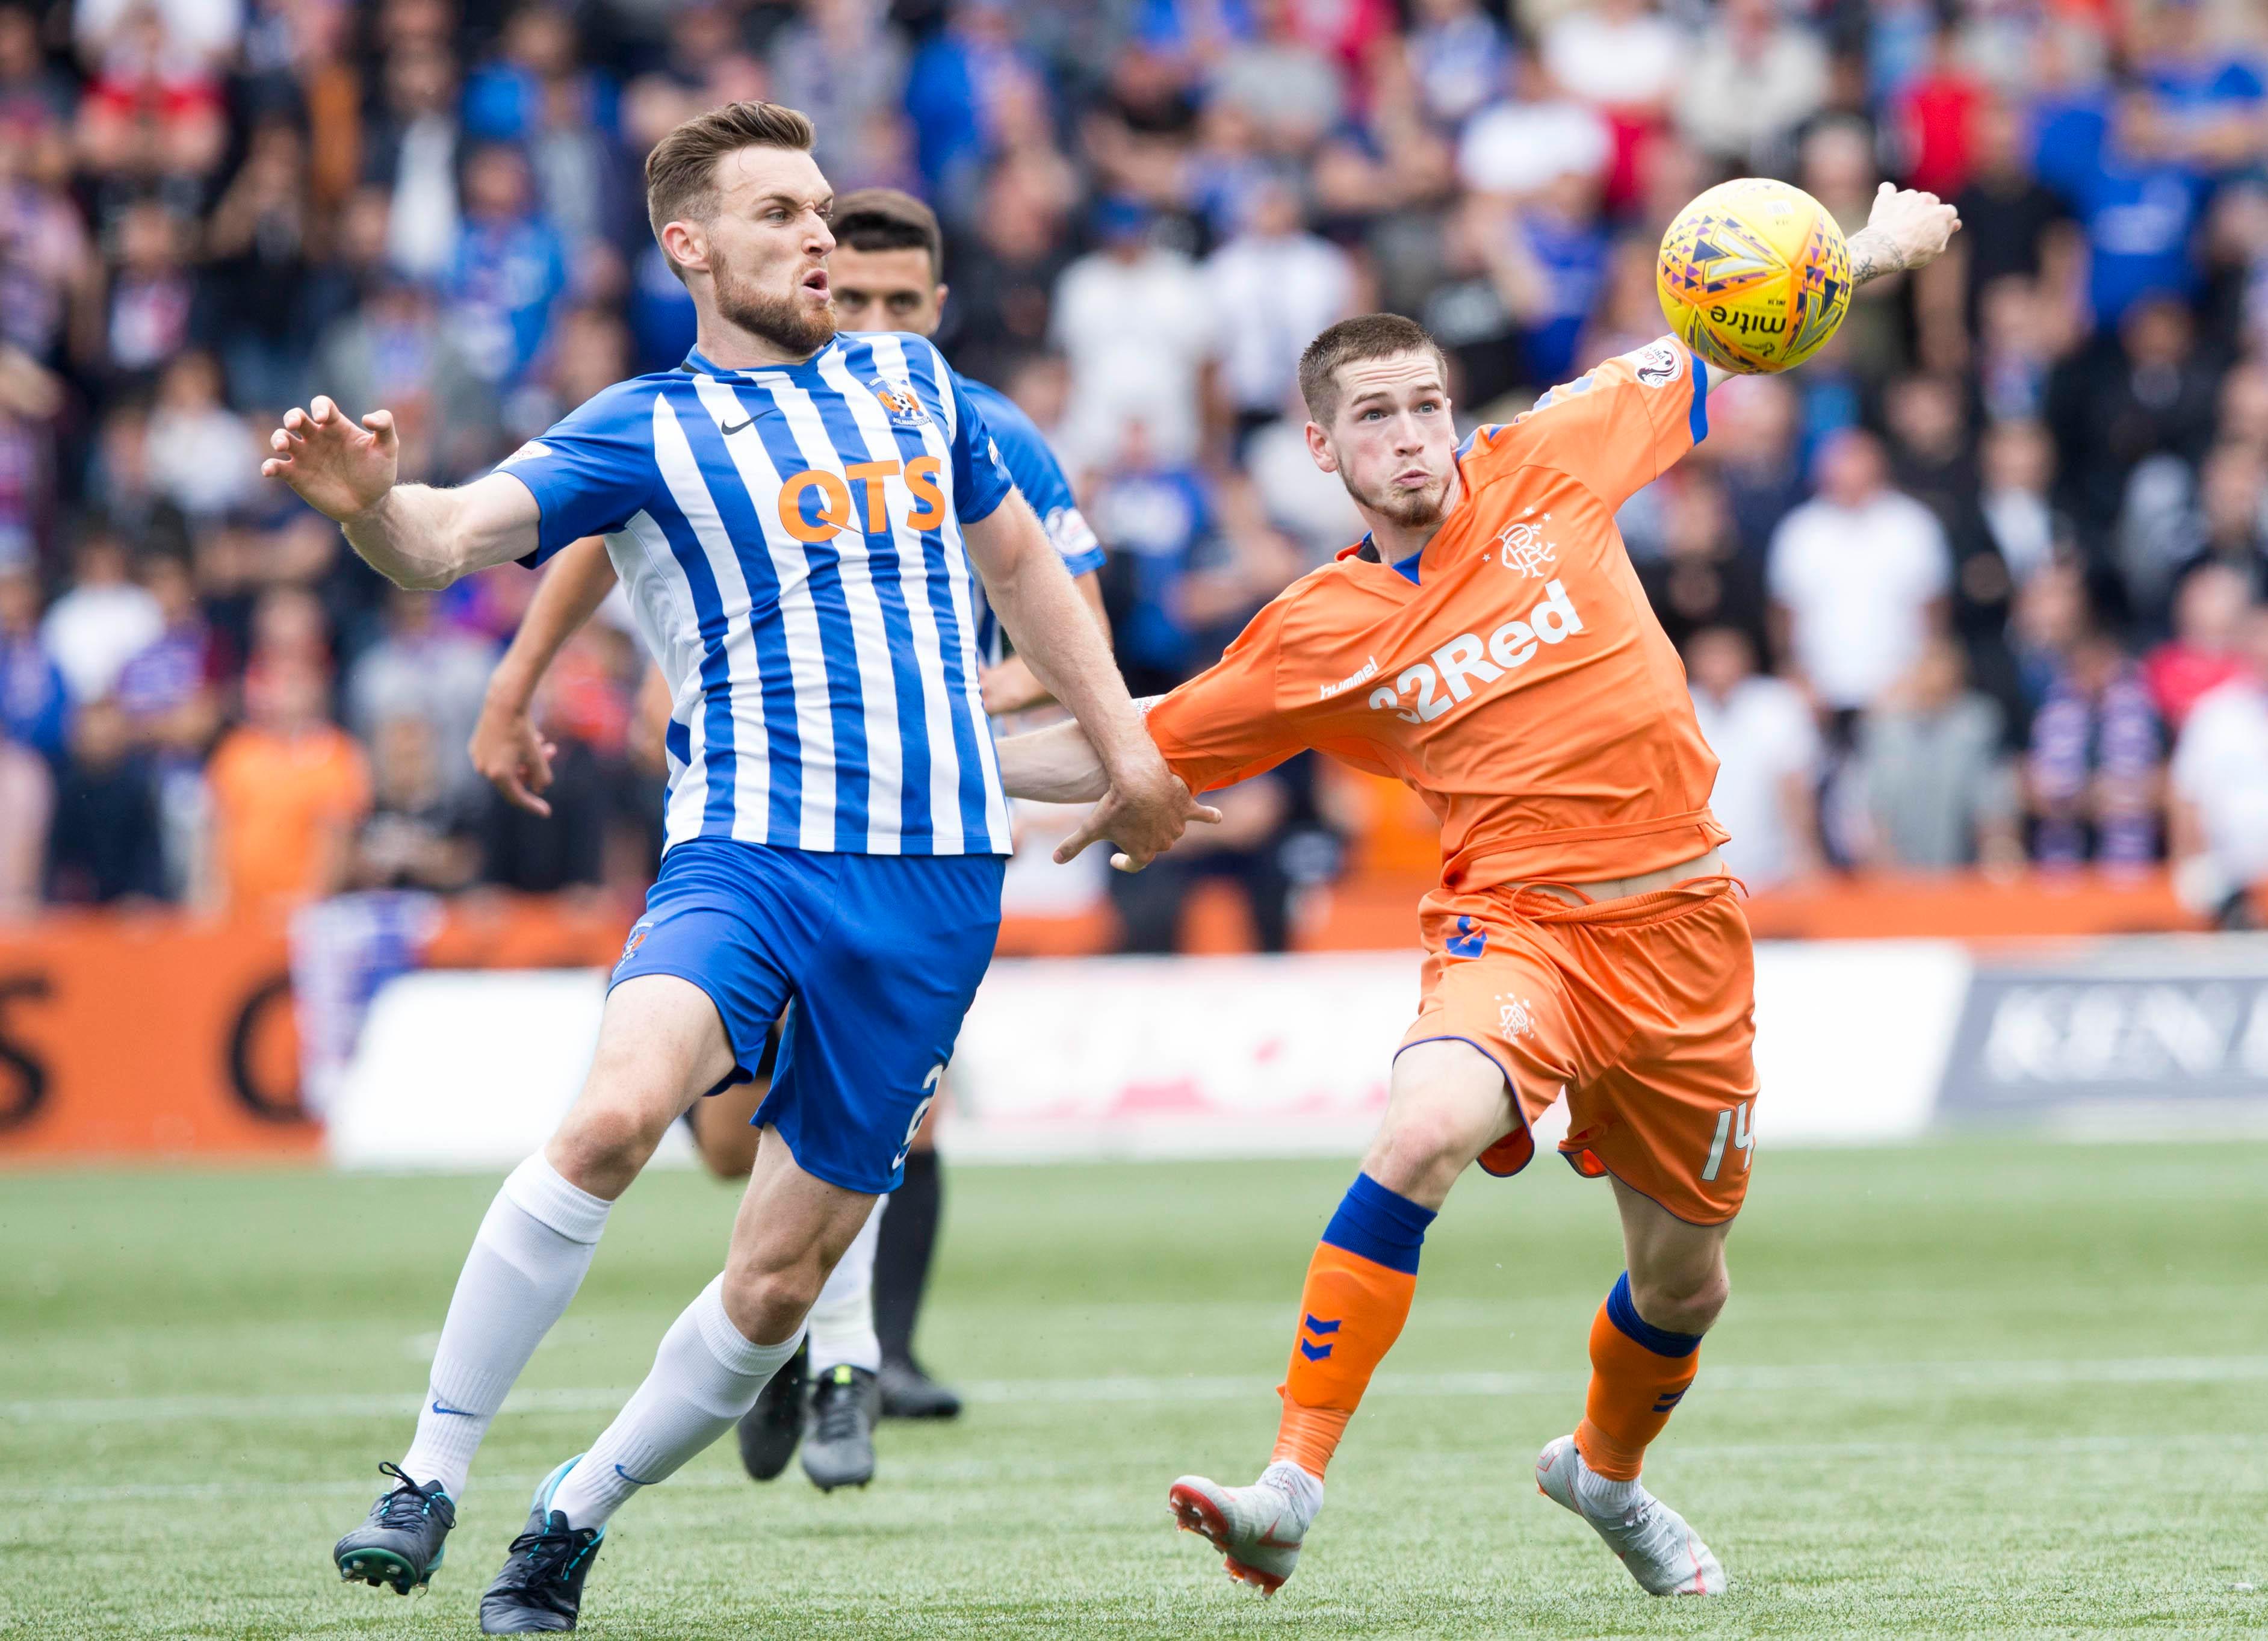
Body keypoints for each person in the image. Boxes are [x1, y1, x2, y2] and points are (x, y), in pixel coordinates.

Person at [262, 102, 1197, 1634]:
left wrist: (1131, 755)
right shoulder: (640, 426)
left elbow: (1022, 569)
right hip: (746, 855)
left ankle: (572, 1513)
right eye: (779, 213)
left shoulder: (917, 382)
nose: (818, 235)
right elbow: (440, 541)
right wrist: (371, 509)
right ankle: (429, 1471)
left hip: (938, 890)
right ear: (689, 246)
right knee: (620, 1116)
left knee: (774, 1289)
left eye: (823, 209)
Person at [993, 184, 1961, 1598]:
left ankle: (1605, 1475)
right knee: (1421, 1128)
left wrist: (1874, 248)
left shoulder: (1553, 453)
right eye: (1376, 415)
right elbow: (1126, 734)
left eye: (1427, 404)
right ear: (1320, 447)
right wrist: (915, 751)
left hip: (1688, 925)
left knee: (1688, 1280)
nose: (1412, 435)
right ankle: (1289, 1486)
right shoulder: (1317, 632)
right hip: (1518, 931)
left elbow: (1734, 330)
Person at [463, 183, 1116, 1494]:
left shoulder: (977, 426)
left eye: (896, 302)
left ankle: (850, 1363)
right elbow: (601, 527)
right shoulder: (714, 424)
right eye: (851, 290)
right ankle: (773, 1333)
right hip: (763, 810)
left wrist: (930, 700)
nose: (867, 314)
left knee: (902, 1113)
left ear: (936, 311)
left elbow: (1072, 631)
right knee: (727, 1138)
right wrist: (516, 678)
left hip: (926, 820)